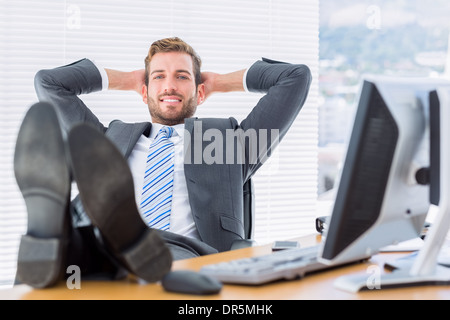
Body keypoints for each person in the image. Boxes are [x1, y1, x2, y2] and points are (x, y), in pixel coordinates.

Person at [14, 37, 312, 288]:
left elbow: (295, 77)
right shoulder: (110, 139)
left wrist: (221, 82)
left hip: (187, 256)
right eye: (158, 77)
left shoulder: (227, 142)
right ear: (144, 91)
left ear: (199, 89)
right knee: (67, 257)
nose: (170, 85)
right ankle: (55, 233)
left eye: (182, 76)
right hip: (105, 250)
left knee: (152, 260)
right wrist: (128, 80)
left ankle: (122, 241)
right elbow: (50, 83)